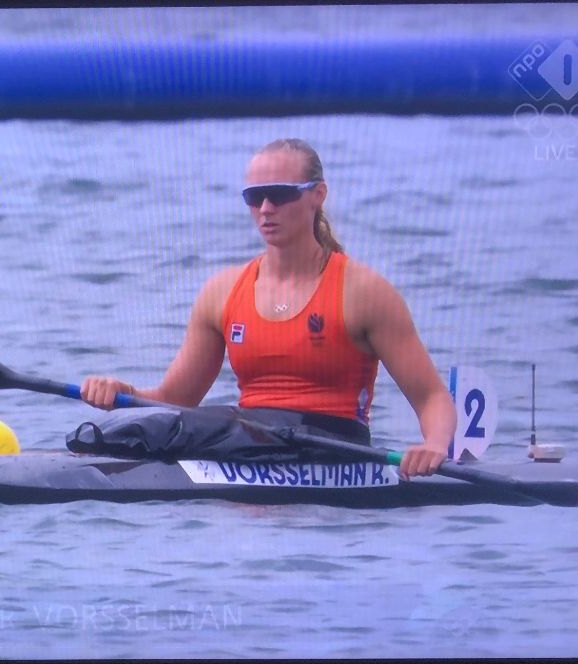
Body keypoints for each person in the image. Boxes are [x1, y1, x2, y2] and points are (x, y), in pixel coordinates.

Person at [80, 138, 454, 479]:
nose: (265, 209)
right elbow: (177, 401)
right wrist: (121, 393)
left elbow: (431, 397)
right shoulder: (222, 291)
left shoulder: (363, 292)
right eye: (254, 197)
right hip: (248, 438)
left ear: (317, 195)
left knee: (163, 431)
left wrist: (434, 445)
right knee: (118, 433)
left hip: (332, 445)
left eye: (279, 194)